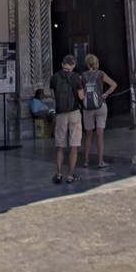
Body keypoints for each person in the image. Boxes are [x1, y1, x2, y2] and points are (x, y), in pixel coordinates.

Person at [49, 54, 84, 184]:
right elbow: (81, 97)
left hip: (60, 114)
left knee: (60, 146)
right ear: (73, 65)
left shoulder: (54, 77)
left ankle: (58, 174)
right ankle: (70, 175)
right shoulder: (76, 77)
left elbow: (53, 96)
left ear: (63, 64)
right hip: (74, 112)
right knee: (74, 145)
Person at [79, 53, 117, 168]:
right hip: (101, 106)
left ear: (87, 64)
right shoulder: (101, 74)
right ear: (96, 63)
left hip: (87, 108)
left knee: (88, 135)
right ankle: (101, 161)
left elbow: (79, 92)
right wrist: (105, 94)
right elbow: (114, 85)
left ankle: (86, 161)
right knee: (100, 134)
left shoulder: (82, 76)